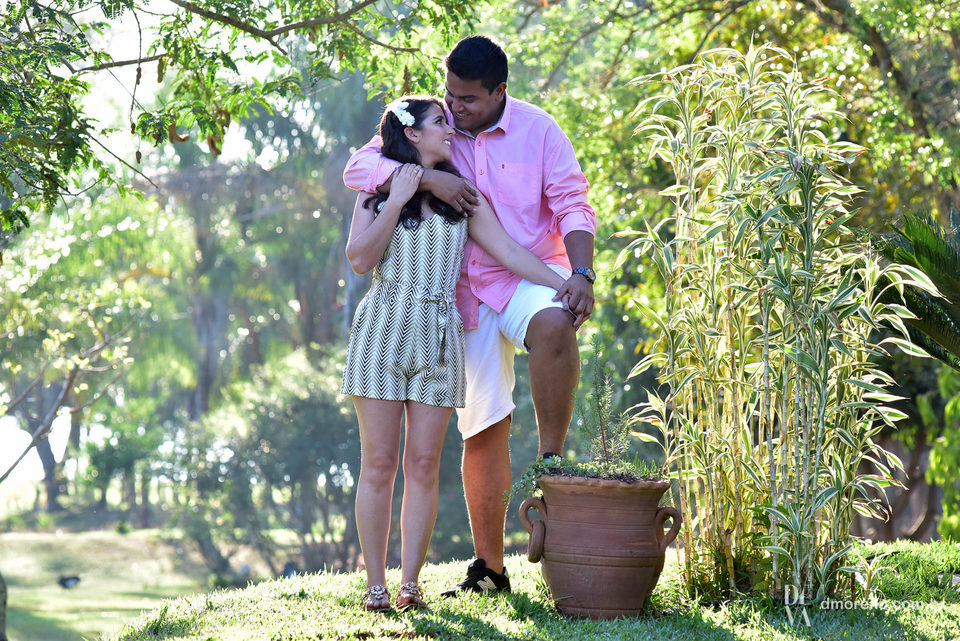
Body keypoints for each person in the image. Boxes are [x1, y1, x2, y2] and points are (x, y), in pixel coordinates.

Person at [343, 35, 596, 597]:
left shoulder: (538, 130)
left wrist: (575, 278)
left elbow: (564, 208)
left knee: (554, 323)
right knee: (475, 428)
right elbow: (361, 166)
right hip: (445, 302)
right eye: (449, 98)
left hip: (510, 281)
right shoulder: (430, 127)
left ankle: (550, 462)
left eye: (467, 100)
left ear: (498, 91)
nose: (454, 110)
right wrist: (427, 180)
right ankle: (487, 569)